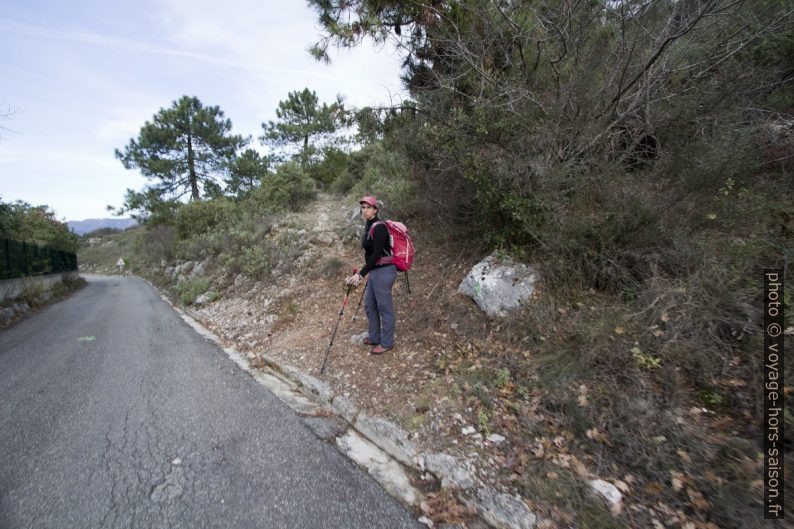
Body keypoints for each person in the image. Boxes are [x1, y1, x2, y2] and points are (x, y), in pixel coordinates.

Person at [346, 196, 397, 355]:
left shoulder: (380, 227)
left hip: (384, 271)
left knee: (384, 308)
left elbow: (375, 255)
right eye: (363, 207)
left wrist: (361, 274)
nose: (364, 210)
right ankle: (375, 337)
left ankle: (387, 342)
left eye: (368, 207)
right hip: (375, 271)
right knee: (369, 305)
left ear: (375, 210)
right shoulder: (369, 226)